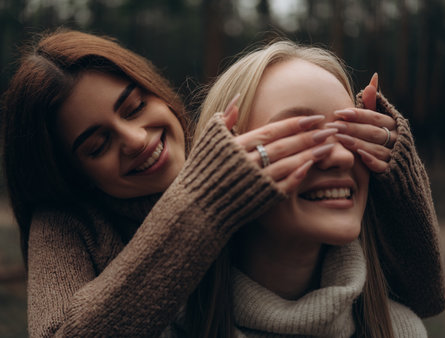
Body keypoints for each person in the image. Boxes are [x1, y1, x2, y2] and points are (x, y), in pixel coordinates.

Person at [1, 30, 335, 337]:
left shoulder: (244, 156)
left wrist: (384, 173)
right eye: (98, 145)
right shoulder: (66, 226)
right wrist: (197, 206)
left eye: (135, 107)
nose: (136, 139)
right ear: (74, 175)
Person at [164, 41, 445, 337]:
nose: (342, 157)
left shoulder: (400, 330)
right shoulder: (160, 328)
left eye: (350, 133)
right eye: (302, 135)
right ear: (226, 164)